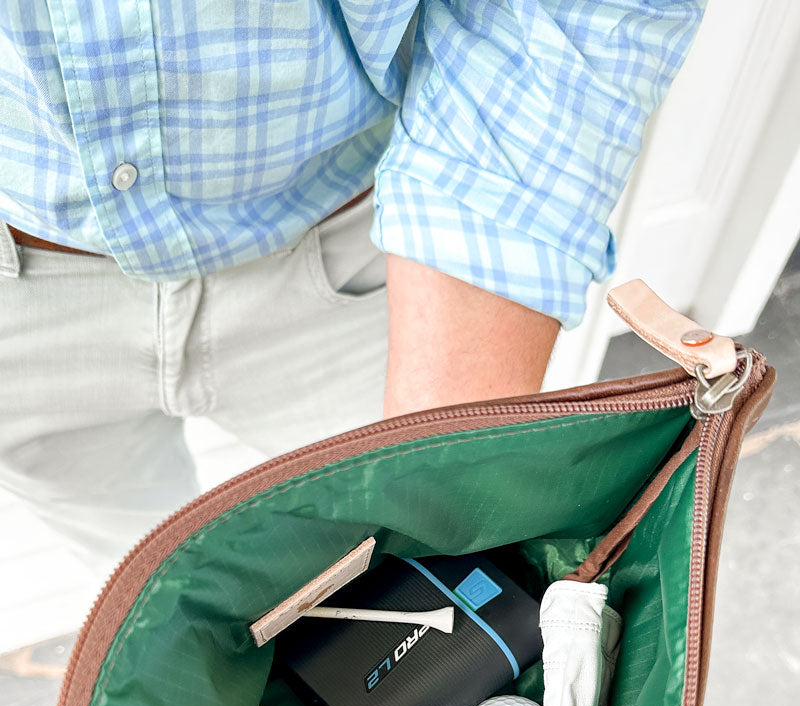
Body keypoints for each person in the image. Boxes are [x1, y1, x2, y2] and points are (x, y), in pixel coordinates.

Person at [0, 1, 704, 574]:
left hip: (360, 249)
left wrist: (437, 474)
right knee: (142, 587)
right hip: (20, 316)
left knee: (437, 563)